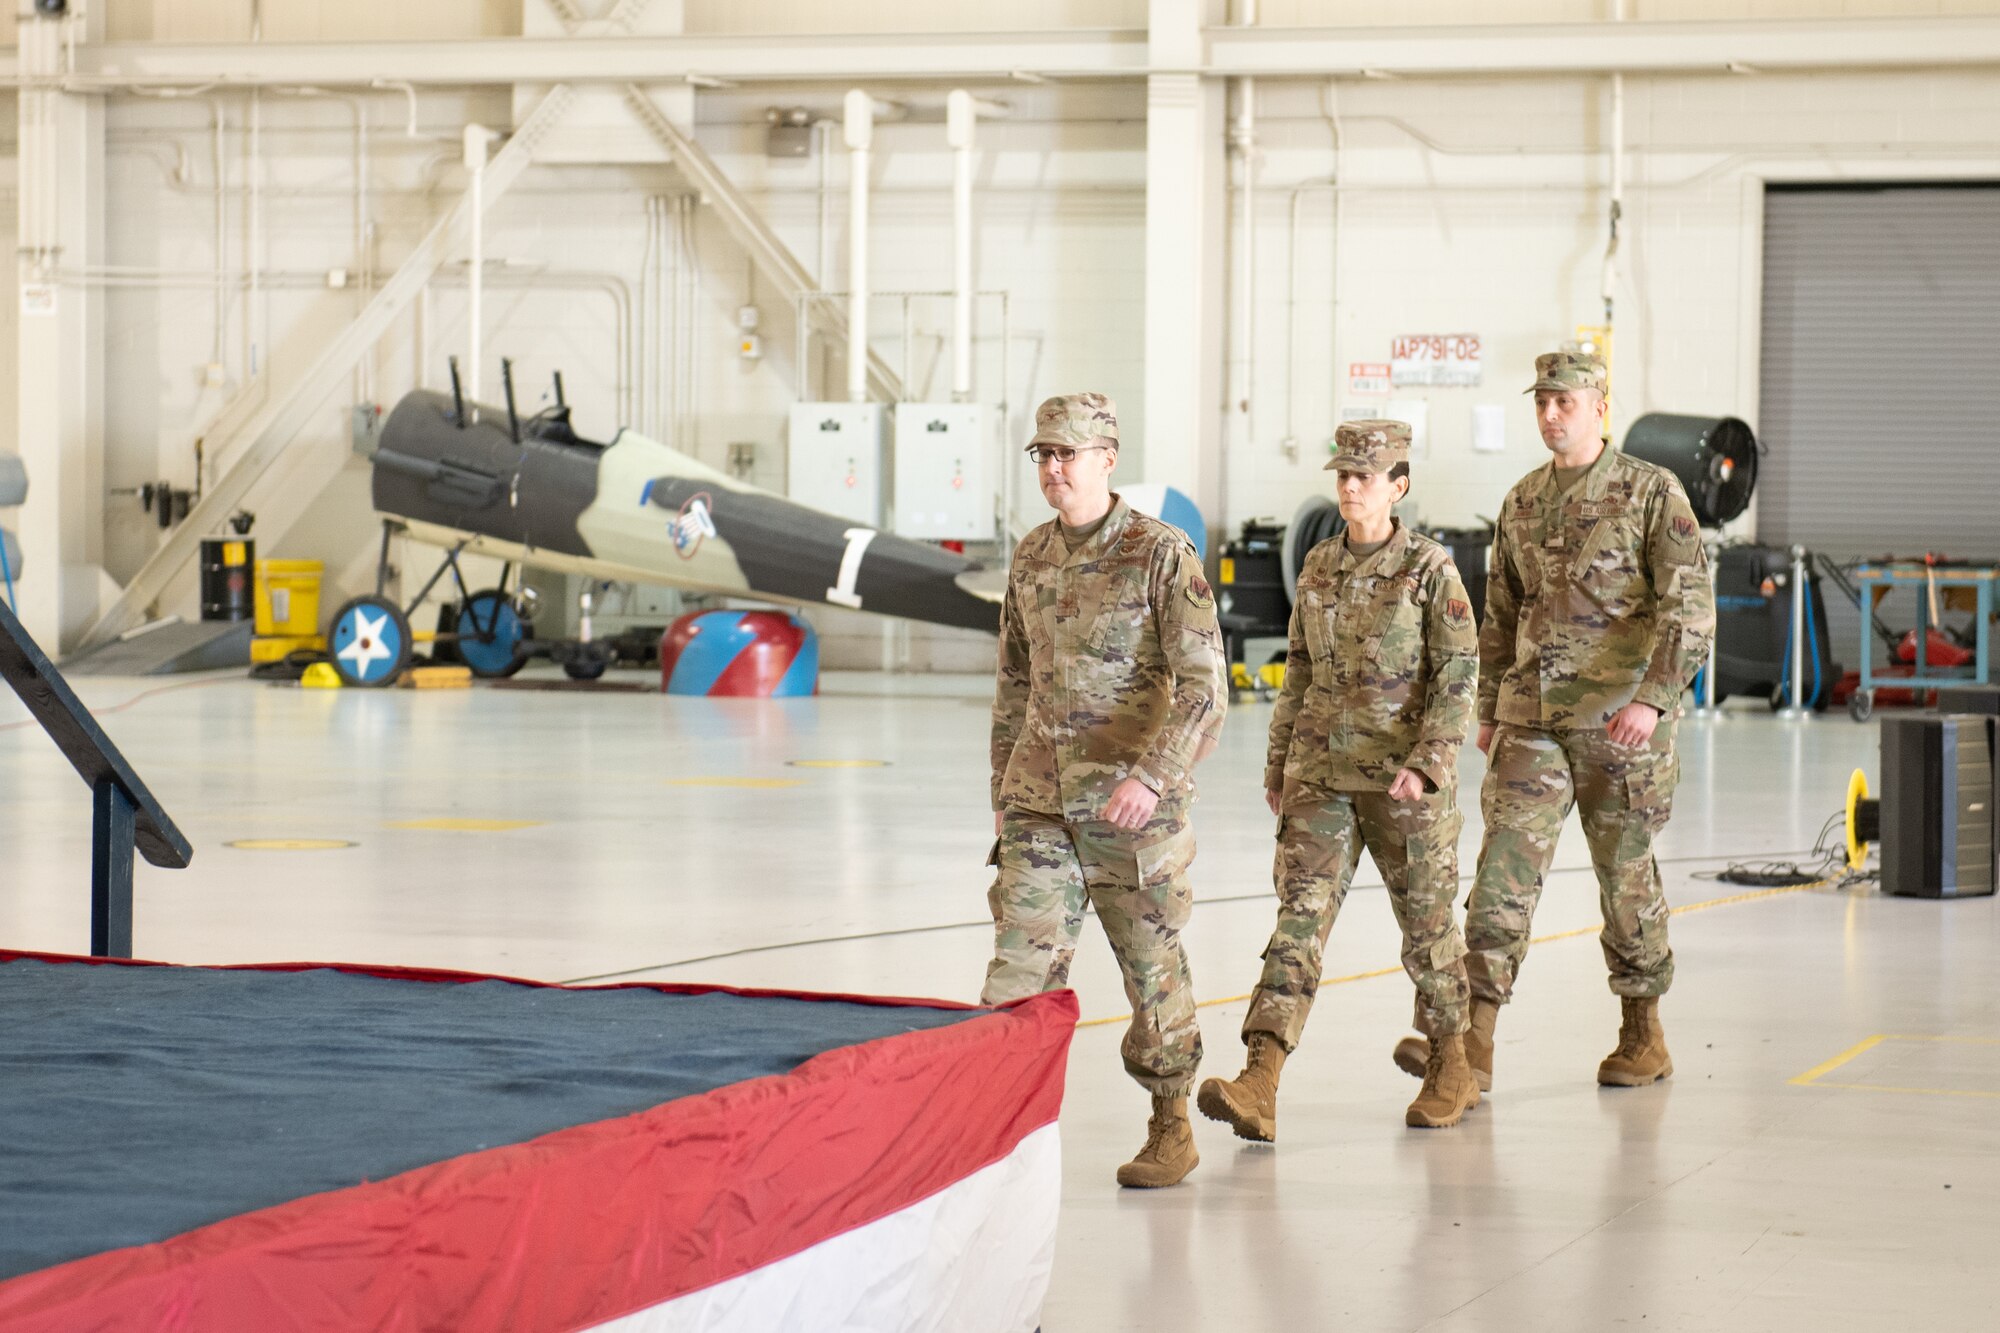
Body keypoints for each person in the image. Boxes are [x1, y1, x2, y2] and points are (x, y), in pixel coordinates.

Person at [1393, 352, 1715, 1092]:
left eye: (1564, 401)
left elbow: (1689, 609)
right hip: (1532, 721)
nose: (1550, 414)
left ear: (1599, 404)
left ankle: (1644, 1030)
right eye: (1541, 401)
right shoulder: (1522, 502)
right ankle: (1473, 1043)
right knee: (1502, 873)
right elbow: (1500, 613)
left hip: (1621, 725)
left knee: (1624, 877)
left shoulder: (1649, 492)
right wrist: (1489, 709)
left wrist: (1652, 698)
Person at [1198, 420, 1482, 1138]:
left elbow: (1458, 676)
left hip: (1402, 784)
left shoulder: (1430, 569)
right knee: (1298, 922)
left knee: (1426, 929)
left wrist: (1430, 763)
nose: (1351, 486)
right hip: (1321, 775)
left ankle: (1454, 1060)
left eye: (1367, 475)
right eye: (1344, 475)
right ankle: (1260, 1078)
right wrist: (1277, 766)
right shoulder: (1320, 565)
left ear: (1400, 485)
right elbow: (1298, 671)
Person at [981, 392, 1227, 1188]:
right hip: (1040, 805)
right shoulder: (1030, 555)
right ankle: (997, 1128)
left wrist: (1152, 777)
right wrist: (1003, 786)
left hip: (1132, 814)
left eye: (1068, 453)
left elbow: (1203, 688)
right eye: (1042, 455)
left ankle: (1171, 1121)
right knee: (1018, 967)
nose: (1053, 468)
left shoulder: (1160, 554)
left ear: (1107, 457)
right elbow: (1013, 683)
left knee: (1152, 973)